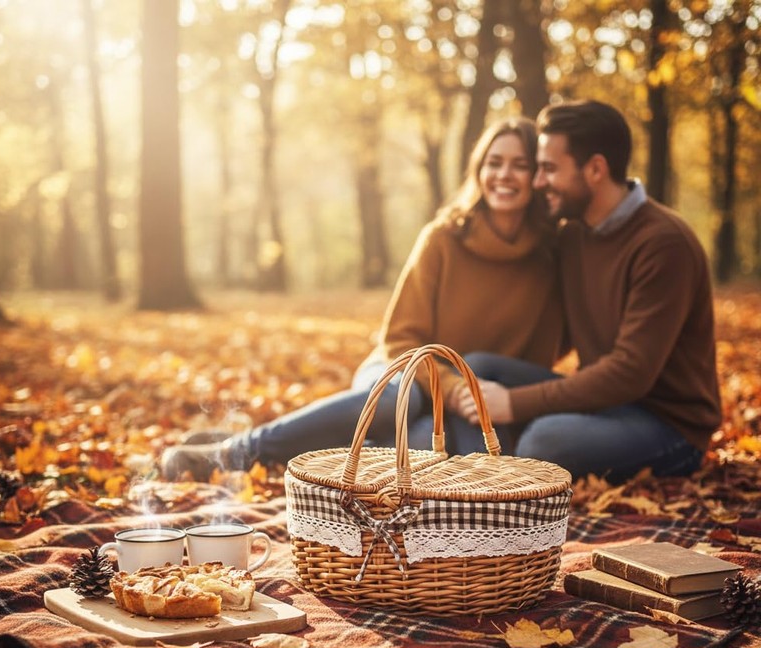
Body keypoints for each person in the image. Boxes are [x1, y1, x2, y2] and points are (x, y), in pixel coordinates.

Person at [161, 117, 565, 481]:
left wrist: (477, 401)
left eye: (520, 164)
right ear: (479, 170)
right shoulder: (443, 239)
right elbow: (400, 339)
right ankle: (238, 451)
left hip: (469, 406)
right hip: (401, 373)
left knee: (426, 445)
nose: (504, 175)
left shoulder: (548, 258)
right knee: (394, 403)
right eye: (494, 162)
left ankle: (317, 462)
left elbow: (534, 362)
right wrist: (453, 387)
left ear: (538, 176)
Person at [445, 99, 722, 483]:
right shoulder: (572, 234)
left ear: (595, 169)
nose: (538, 182)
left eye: (549, 169)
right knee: (475, 369)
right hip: (605, 404)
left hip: (667, 424)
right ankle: (483, 485)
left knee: (544, 442)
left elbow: (630, 373)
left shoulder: (664, 244)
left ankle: (496, 482)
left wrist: (513, 403)